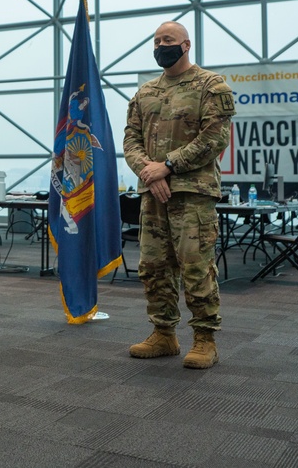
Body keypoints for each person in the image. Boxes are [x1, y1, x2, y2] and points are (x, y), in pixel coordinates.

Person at [123, 21, 235, 369]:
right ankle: (164, 334)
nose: (160, 45)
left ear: (185, 45)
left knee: (195, 266)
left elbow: (215, 138)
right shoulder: (145, 92)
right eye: (156, 41)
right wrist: (149, 171)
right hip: (153, 193)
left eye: (167, 40)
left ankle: (205, 340)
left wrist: (167, 166)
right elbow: (130, 140)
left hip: (192, 193)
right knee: (153, 266)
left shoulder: (210, 85)